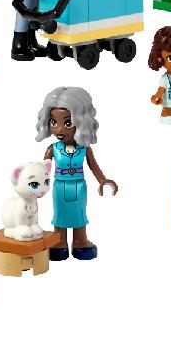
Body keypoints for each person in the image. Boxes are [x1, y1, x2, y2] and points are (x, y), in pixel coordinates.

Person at [35, 86, 118, 261]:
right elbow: (44, 170)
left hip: (79, 186)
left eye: (67, 123)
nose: (59, 129)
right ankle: (59, 241)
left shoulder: (84, 149)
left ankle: (80, 240)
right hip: (59, 186)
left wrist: (103, 180)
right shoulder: (52, 149)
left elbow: (93, 166)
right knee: (59, 214)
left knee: (80, 214)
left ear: (81, 122)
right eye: (53, 122)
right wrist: (35, 184)